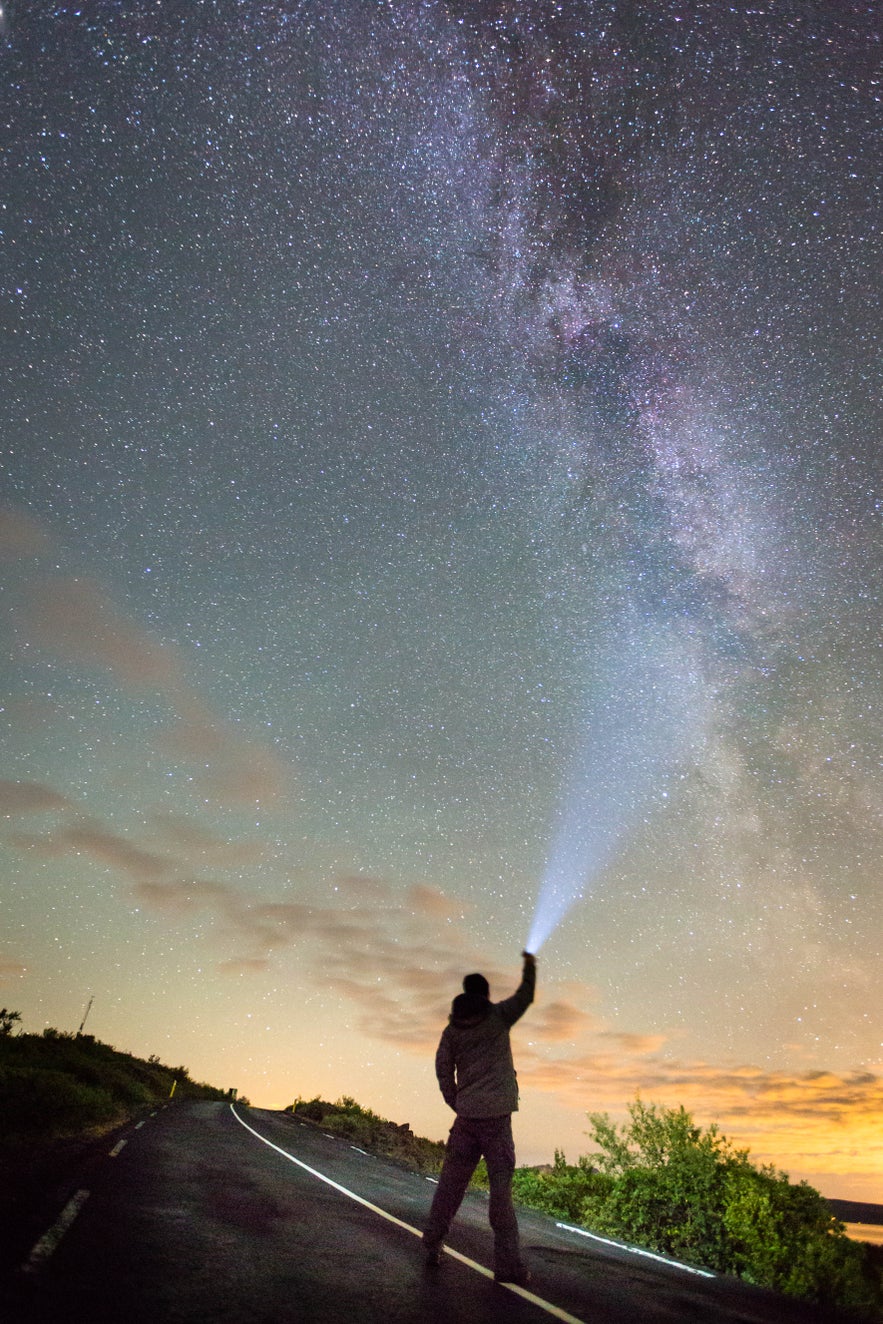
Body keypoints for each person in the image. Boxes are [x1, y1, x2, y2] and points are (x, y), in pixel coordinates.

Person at [423, 950, 536, 1286]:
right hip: (497, 1120)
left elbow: (442, 1069)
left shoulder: (452, 1031)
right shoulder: (498, 1017)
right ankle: (508, 1267)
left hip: (467, 1118)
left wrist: (456, 1101)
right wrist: (530, 966)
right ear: (486, 995)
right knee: (501, 1191)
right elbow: (526, 996)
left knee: (450, 1186)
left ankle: (431, 1245)